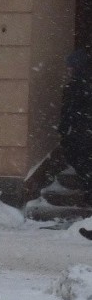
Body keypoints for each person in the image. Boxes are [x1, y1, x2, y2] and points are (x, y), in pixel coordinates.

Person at [59, 49, 92, 198]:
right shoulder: (80, 83)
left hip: (82, 130)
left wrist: (64, 128)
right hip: (83, 129)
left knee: (80, 159)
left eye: (70, 66)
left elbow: (69, 109)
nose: (68, 69)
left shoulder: (76, 85)